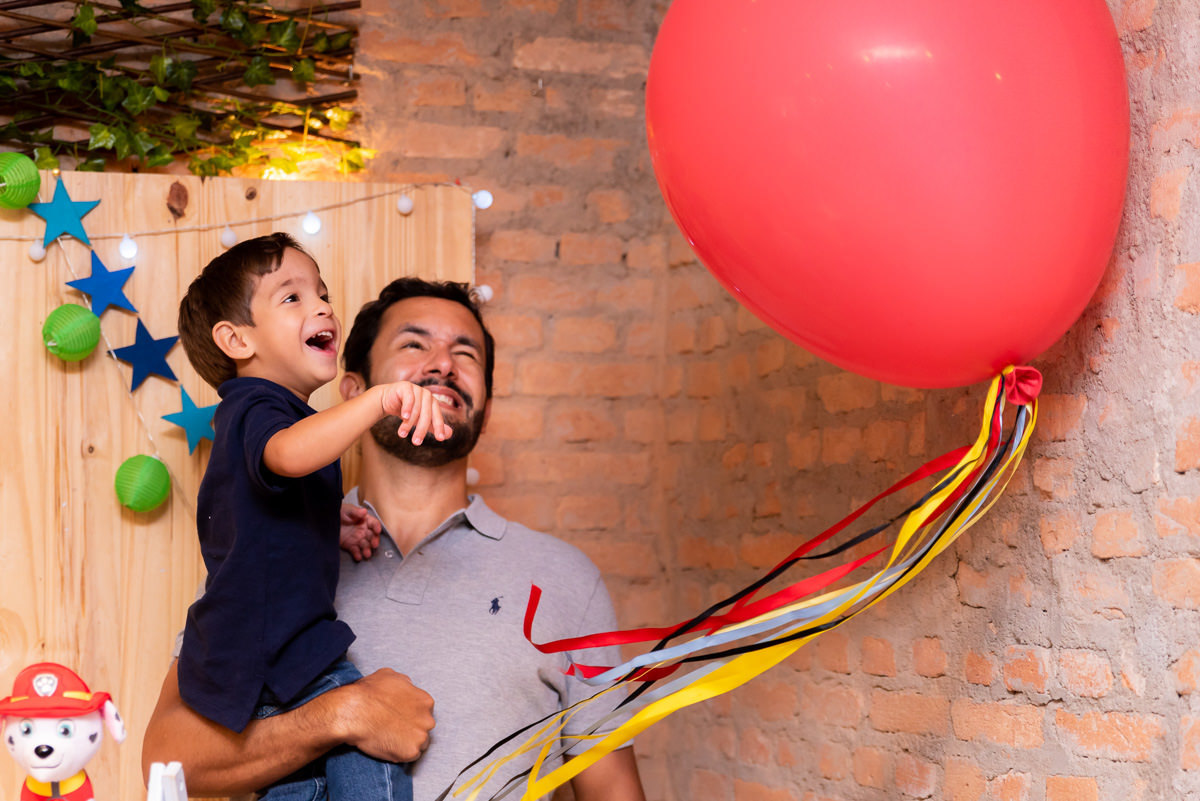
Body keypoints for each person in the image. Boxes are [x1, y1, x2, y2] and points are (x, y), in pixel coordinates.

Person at [145, 277, 646, 801]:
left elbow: (614, 792)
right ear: (354, 392)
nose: (443, 364)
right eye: (413, 344)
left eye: (465, 353)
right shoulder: (268, 552)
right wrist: (343, 713)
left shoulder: (566, 579)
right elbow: (168, 759)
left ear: (487, 410)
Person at [173, 235, 451, 801]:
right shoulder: (255, 403)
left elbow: (260, 507)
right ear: (237, 340)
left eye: (322, 294)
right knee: (375, 749)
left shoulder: (280, 418)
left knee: (301, 784)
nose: (322, 307)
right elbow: (286, 454)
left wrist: (327, 518)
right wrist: (378, 400)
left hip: (254, 657)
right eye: (292, 297)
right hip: (280, 650)